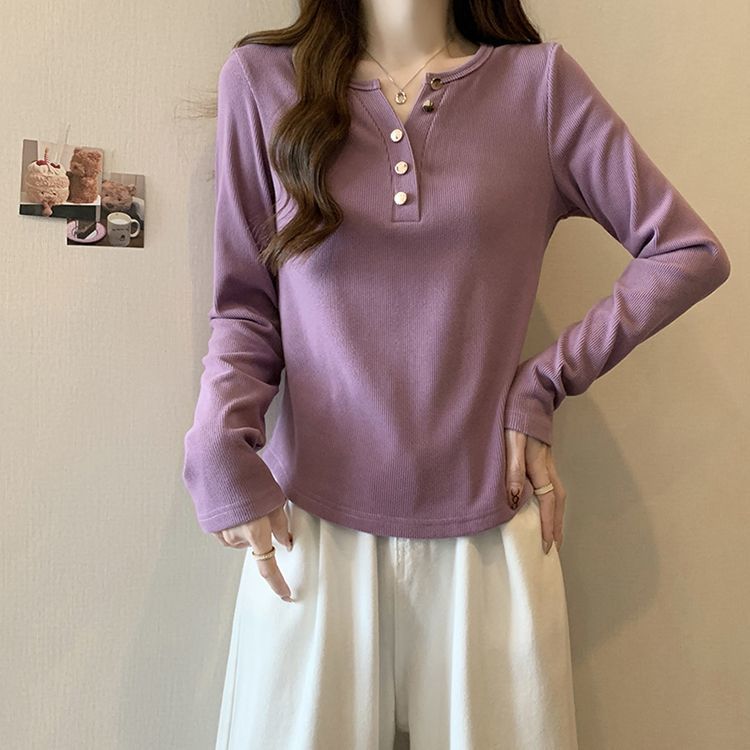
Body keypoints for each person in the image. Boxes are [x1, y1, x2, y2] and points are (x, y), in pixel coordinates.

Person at [181, 1, 731, 748]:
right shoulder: (262, 82)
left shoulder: (540, 87)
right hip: (307, 530)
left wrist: (544, 383)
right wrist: (220, 442)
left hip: (491, 533)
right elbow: (245, 308)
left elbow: (686, 252)